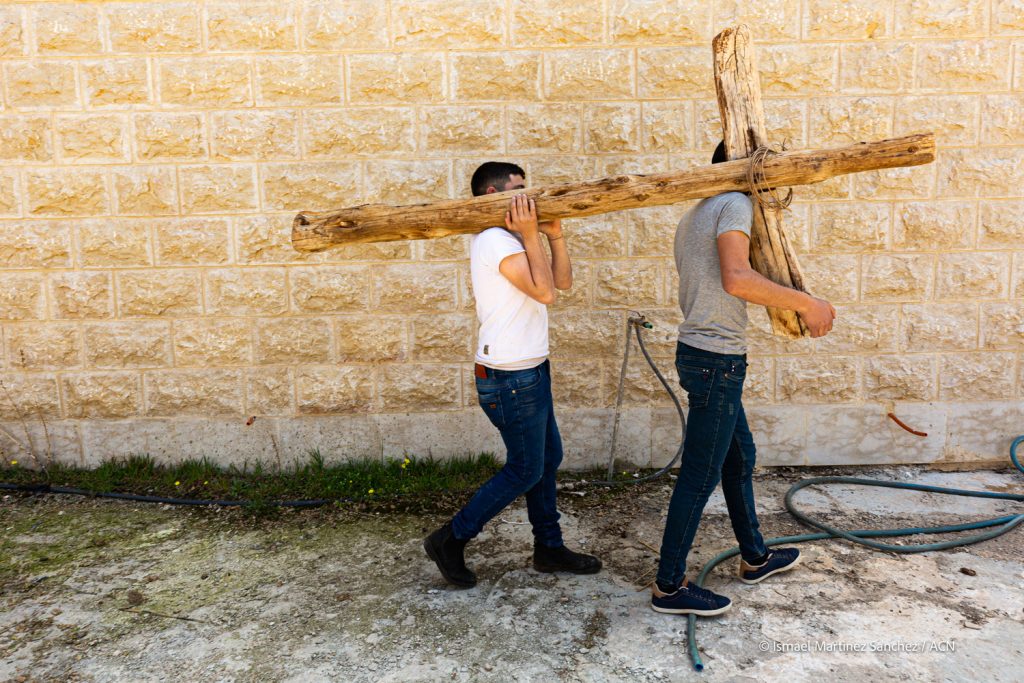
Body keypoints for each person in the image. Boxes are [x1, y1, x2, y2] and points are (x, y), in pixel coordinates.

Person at [651, 142, 837, 616]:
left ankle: (755, 557)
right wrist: (806, 302)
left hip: (706, 354)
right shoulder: (735, 204)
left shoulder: (699, 211)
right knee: (700, 474)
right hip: (716, 360)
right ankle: (669, 587)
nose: (774, 176)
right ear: (746, 168)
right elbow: (736, 278)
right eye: (769, 166)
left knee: (739, 458)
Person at [424, 162, 602, 588]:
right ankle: (450, 538)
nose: (529, 197)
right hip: (509, 378)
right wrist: (529, 234)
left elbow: (561, 282)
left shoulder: (512, 239)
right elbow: (544, 293)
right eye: (519, 190)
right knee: (525, 468)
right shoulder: (492, 240)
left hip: (531, 370)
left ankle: (548, 548)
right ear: (492, 195)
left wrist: (552, 233)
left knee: (546, 460)